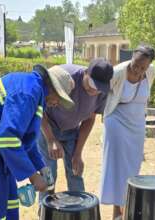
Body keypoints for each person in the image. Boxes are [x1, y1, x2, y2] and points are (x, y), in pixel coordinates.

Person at [0, 64, 75, 220]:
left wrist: (41, 167)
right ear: (53, 88)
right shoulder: (28, 92)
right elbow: (7, 139)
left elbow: (24, 142)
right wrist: (33, 176)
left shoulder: (33, 90)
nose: (57, 104)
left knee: (9, 201)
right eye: (60, 98)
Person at [37, 58, 113, 196]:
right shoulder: (65, 76)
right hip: (47, 127)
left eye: (99, 88)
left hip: (72, 130)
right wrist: (51, 139)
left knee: (75, 170)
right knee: (49, 174)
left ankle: (80, 210)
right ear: (86, 73)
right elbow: (39, 108)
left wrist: (78, 153)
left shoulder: (102, 92)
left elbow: (90, 119)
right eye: (92, 84)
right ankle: (45, 211)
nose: (94, 91)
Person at [100, 45, 155, 220]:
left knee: (133, 166)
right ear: (132, 57)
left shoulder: (151, 72)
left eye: (143, 67)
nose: (139, 69)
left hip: (137, 123)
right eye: (136, 64)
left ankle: (129, 207)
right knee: (117, 166)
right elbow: (102, 95)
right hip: (116, 120)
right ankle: (117, 212)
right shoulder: (117, 72)